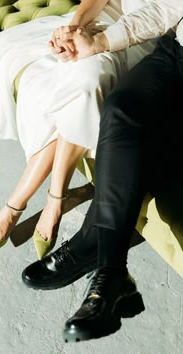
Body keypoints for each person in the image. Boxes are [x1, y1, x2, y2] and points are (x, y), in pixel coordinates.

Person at [22, 0, 183, 342]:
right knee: (122, 110)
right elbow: (170, 4)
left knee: (160, 140)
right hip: (178, 53)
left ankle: (96, 252)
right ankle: (111, 272)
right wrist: (99, 42)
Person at [0, 0, 156, 258]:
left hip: (144, 33)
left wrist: (100, 41)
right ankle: (40, 201)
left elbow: (164, 14)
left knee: (86, 81)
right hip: (103, 17)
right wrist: (74, 28)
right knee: (10, 52)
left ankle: (35, 203)